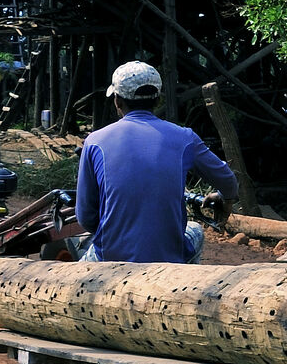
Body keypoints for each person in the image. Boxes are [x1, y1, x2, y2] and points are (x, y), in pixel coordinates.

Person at [74, 62, 239, 263]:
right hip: (168, 259)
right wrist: (225, 198)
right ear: (158, 99)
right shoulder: (185, 137)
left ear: (117, 101)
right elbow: (228, 181)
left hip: (110, 258)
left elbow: (85, 217)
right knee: (195, 230)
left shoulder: (94, 141)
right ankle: (184, 284)